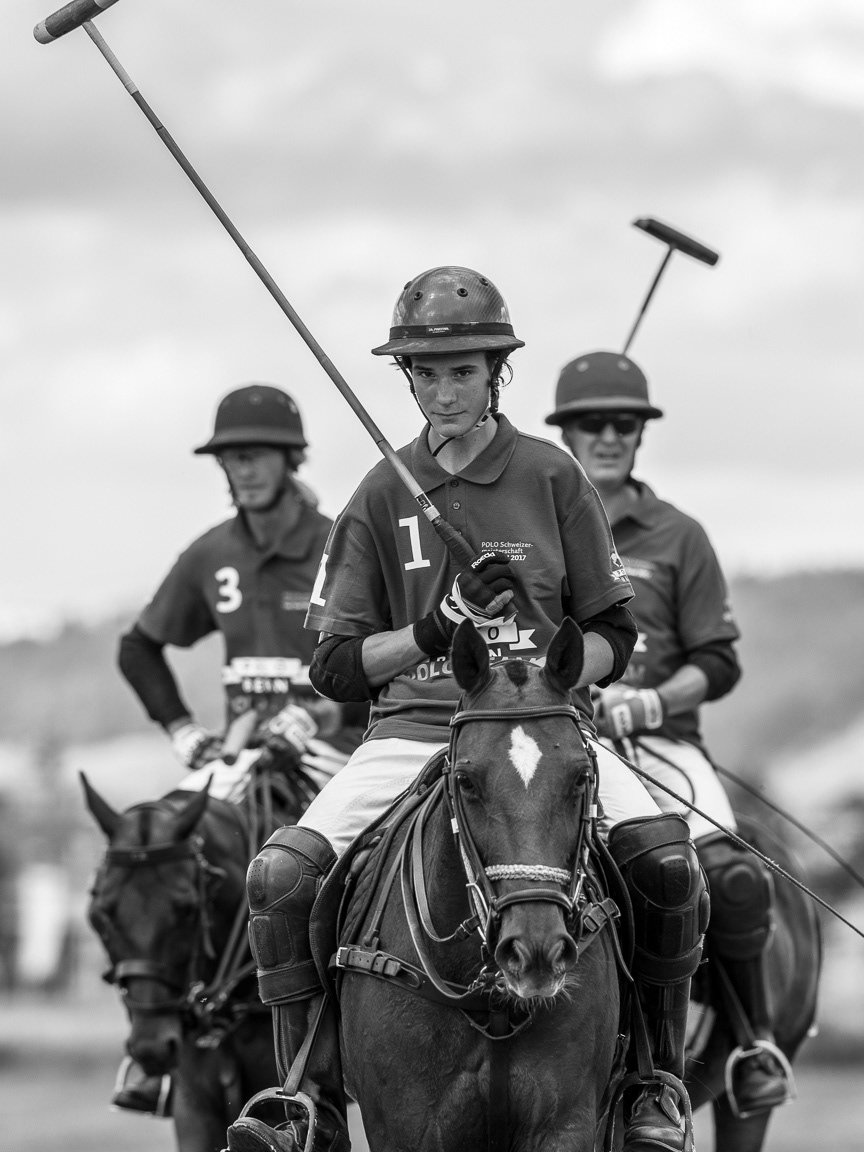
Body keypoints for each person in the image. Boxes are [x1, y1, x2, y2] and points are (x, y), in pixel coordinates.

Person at [227, 270, 708, 1152]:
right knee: (280, 877)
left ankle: (653, 1081)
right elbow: (334, 666)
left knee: (668, 863)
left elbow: (615, 631)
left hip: (545, 731)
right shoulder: (380, 493)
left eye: (462, 372)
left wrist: (560, 672)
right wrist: (433, 627)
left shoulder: (553, 475)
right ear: (407, 378)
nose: (444, 392)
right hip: (413, 729)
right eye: (427, 373)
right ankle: (304, 1103)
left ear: (497, 374)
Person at [544, 350, 792, 1118]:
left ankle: (752, 1044)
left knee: (733, 877)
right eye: (592, 423)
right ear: (565, 433)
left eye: (624, 424)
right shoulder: (535, 529)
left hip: (663, 744)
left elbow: (718, 660)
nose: (608, 436)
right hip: (560, 737)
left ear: (641, 434)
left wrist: (649, 703)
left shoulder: (680, 535)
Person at [113, 383, 365, 1115]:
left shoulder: (339, 543)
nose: (243, 469)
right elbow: (138, 648)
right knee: (157, 858)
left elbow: (387, 659)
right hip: (239, 756)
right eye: (231, 457)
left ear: (291, 460)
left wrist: (318, 716)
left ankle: (358, 1034)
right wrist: (181, 730)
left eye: (257, 454)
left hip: (338, 748)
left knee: (347, 874)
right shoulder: (213, 552)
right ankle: (161, 1053)